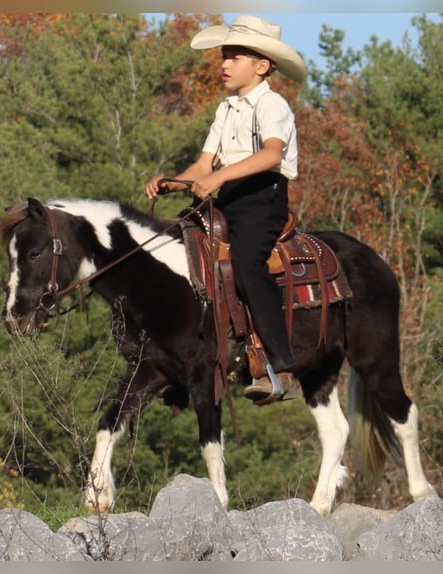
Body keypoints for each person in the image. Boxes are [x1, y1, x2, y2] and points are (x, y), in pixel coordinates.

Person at [144, 15, 304, 404]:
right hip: (225, 197)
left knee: (248, 266)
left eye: (234, 56)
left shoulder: (272, 104)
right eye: (224, 56)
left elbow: (270, 155)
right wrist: (174, 182)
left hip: (261, 199)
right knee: (170, 252)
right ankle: (182, 359)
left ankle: (280, 365)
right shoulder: (226, 108)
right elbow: (203, 165)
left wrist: (217, 178)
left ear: (262, 66)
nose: (224, 64)